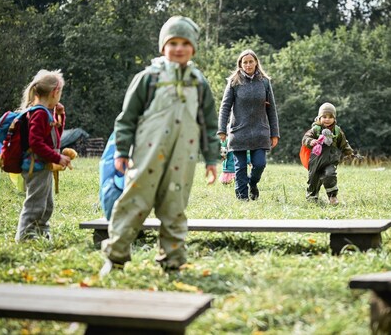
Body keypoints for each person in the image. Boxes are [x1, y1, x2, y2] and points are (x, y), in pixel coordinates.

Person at [100, 16, 219, 275]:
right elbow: (126, 118)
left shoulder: (198, 83)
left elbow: (209, 125)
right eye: (172, 42)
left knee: (175, 209)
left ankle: (173, 262)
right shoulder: (148, 79)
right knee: (133, 204)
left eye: (185, 43)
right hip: (146, 157)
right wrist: (121, 150)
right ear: (162, 46)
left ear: (194, 48)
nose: (178, 48)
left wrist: (211, 159)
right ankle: (116, 257)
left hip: (182, 159)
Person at [217, 49, 280, 200]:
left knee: (260, 164)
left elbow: (271, 109)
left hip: (260, 132)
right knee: (240, 168)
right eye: (245, 62)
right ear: (240, 64)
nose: (248, 64)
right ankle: (242, 199)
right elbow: (225, 106)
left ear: (256, 62)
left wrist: (274, 133)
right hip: (239, 132)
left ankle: (253, 183)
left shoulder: (264, 82)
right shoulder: (233, 82)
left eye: (251, 61)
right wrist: (221, 130)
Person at [15, 69, 70, 241]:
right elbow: (36, 143)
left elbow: (55, 139)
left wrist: (60, 115)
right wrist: (58, 158)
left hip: (42, 165)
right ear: (55, 92)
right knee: (34, 205)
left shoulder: (45, 112)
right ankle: (23, 238)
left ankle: (41, 235)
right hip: (35, 166)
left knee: (46, 205)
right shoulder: (38, 113)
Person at [301, 102, 358, 205]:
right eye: (324, 116)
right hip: (316, 160)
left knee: (330, 175)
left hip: (330, 160)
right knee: (313, 179)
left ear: (334, 118)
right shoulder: (315, 129)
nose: (327, 119)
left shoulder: (337, 131)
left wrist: (349, 152)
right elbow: (305, 138)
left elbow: (344, 144)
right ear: (319, 117)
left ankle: (332, 197)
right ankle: (312, 198)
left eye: (330, 117)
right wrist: (311, 141)